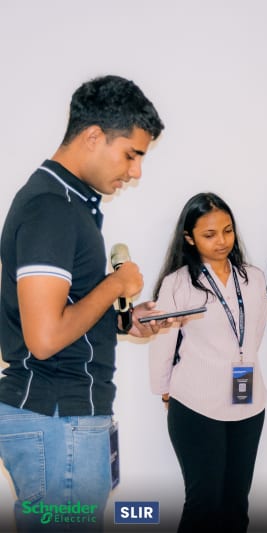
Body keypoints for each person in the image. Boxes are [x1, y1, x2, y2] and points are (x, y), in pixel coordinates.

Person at [0, 75, 164, 532]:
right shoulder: (52, 207)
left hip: (62, 418)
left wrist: (121, 322)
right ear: (93, 136)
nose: (136, 172)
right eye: (131, 154)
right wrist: (115, 286)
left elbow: (58, 315)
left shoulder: (65, 202)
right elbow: (44, 338)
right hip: (57, 418)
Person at [149, 192, 267, 532]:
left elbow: (254, 333)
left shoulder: (254, 278)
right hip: (195, 405)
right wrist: (165, 391)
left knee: (236, 505)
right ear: (189, 238)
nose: (222, 241)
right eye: (209, 234)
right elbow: (162, 343)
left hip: (249, 405)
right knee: (204, 505)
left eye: (228, 231)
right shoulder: (178, 284)